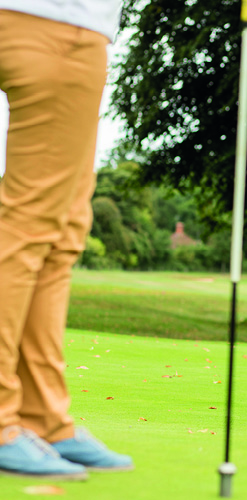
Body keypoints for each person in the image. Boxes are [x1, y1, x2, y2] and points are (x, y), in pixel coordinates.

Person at [0, 1, 133, 479]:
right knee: (31, 226)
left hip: (65, 28)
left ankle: (43, 418)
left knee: (62, 233)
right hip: (55, 25)